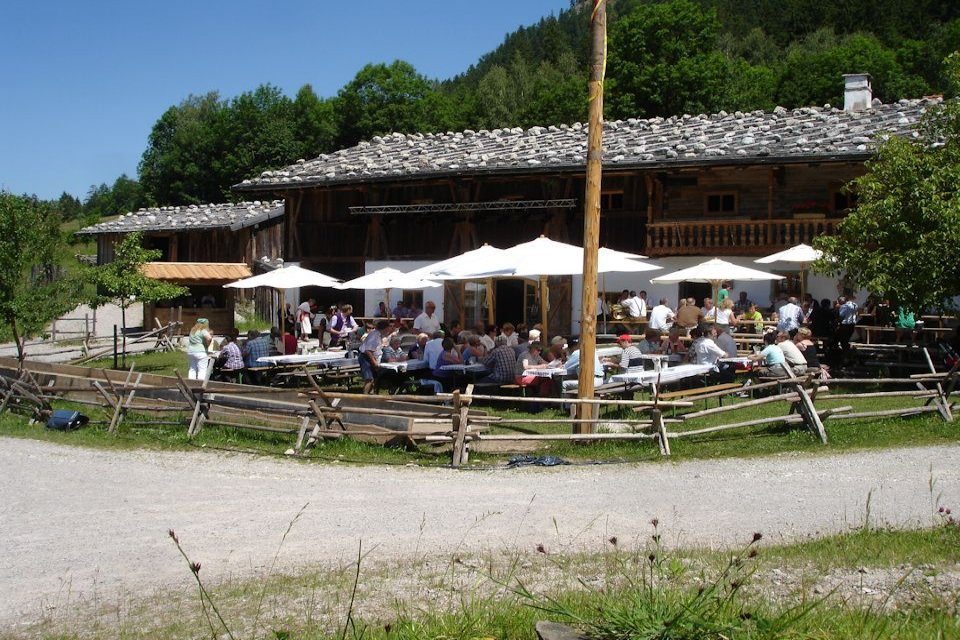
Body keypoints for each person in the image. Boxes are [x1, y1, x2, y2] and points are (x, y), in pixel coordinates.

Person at [360, 319, 388, 394]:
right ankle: (364, 397)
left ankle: (372, 395)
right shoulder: (374, 335)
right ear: (385, 328)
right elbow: (368, 351)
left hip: (372, 357)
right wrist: (375, 363)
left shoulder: (377, 334)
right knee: (369, 379)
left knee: (375, 378)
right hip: (365, 357)